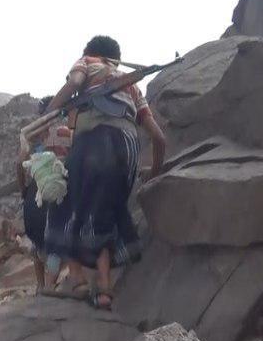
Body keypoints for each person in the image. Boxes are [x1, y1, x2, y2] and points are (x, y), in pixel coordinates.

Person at [43, 35, 166, 310]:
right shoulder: (131, 85)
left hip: (94, 143)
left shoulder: (87, 62)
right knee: (106, 211)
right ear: (116, 60)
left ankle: (78, 282)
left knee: (63, 205)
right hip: (128, 149)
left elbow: (74, 82)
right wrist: (154, 173)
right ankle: (105, 290)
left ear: (90, 51)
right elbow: (159, 138)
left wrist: (49, 112)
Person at [17, 97, 72, 294]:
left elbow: (19, 164)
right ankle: (50, 284)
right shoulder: (67, 132)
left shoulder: (32, 137)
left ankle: (41, 285)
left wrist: (24, 190)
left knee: (37, 240)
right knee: (58, 238)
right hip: (60, 191)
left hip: (36, 192)